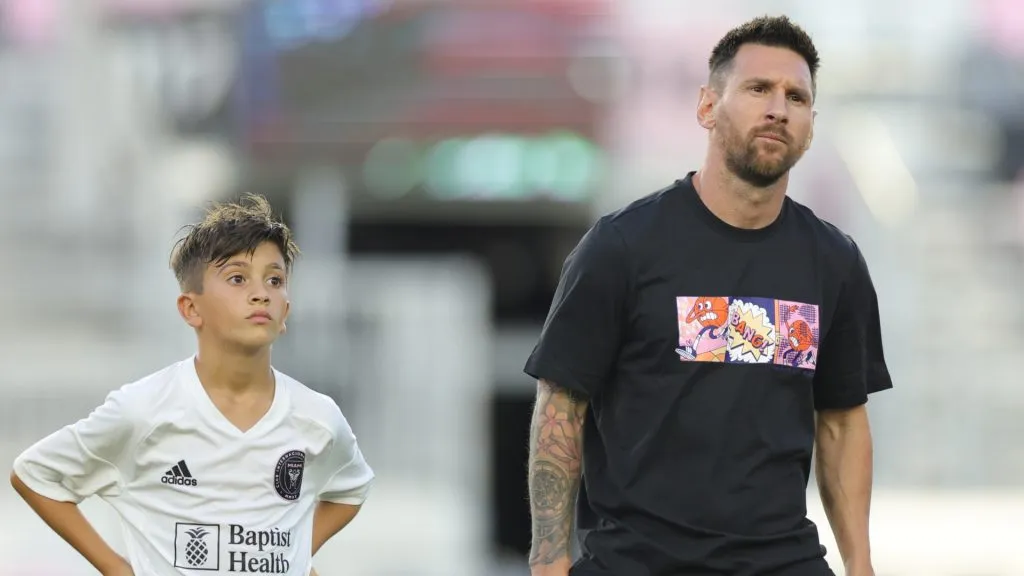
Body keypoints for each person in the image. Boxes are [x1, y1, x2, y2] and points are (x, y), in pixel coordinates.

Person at [524, 15, 891, 576]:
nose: (778, 108)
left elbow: (842, 422)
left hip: (782, 561)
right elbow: (561, 406)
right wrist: (549, 561)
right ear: (707, 108)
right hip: (638, 563)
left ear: (810, 127)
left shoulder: (833, 262)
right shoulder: (622, 247)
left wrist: (860, 565)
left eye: (796, 96)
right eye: (757, 89)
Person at [10, 195, 373, 575]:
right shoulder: (144, 410)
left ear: (285, 313)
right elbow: (35, 474)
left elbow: (350, 490)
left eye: (275, 280)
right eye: (237, 278)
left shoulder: (317, 417)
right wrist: (117, 569)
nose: (261, 292)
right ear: (191, 308)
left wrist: (296, 556)